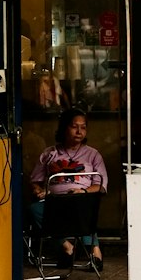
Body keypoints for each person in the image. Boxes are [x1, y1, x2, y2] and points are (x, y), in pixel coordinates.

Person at [29, 109, 107, 270]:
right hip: (54, 202)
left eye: (83, 127)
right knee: (34, 209)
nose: (79, 131)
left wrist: (83, 192)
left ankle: (95, 252)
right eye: (74, 126)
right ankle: (66, 246)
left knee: (82, 206)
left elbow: (101, 185)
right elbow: (35, 181)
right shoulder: (50, 153)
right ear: (64, 128)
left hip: (80, 199)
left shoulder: (93, 155)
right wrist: (39, 191)